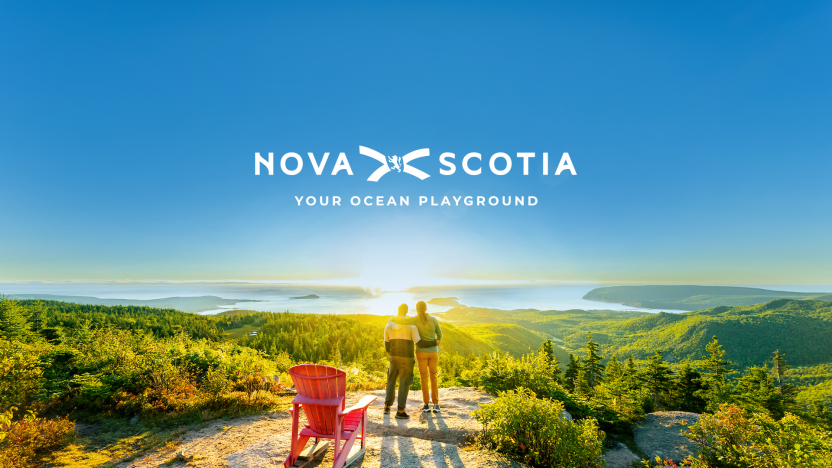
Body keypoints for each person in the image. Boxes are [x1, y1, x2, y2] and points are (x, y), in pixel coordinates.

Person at [390, 300, 443, 413]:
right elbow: (440, 334)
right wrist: (437, 342)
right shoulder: (433, 319)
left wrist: (392, 319)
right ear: (426, 309)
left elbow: (402, 321)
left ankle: (427, 405)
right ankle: (436, 405)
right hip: (434, 352)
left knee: (424, 377)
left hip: (421, 352)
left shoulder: (415, 319)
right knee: (433, 377)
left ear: (417, 309)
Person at [383, 303, 421, 419]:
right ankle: (400, 411)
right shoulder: (411, 325)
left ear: (398, 311)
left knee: (391, 380)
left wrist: (392, 354)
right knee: (404, 382)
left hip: (393, 356)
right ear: (406, 311)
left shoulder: (388, 324)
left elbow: (386, 344)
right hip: (406, 357)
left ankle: (387, 407)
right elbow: (417, 341)